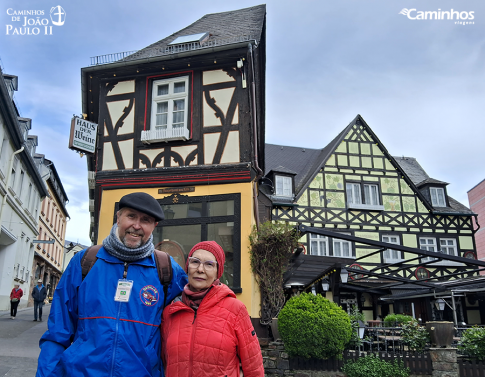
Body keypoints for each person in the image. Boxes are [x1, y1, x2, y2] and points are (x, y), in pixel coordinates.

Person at [36, 192, 188, 377]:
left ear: (154, 226)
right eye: (131, 216)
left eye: (145, 220)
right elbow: (57, 332)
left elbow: (195, 314)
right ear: (118, 217)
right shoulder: (85, 262)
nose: (136, 226)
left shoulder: (166, 269)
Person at [162, 241, 264, 377]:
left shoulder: (235, 309)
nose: (200, 269)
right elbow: (164, 361)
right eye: (195, 262)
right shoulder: (171, 311)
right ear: (187, 267)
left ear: (218, 272)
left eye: (209, 264)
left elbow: (253, 367)